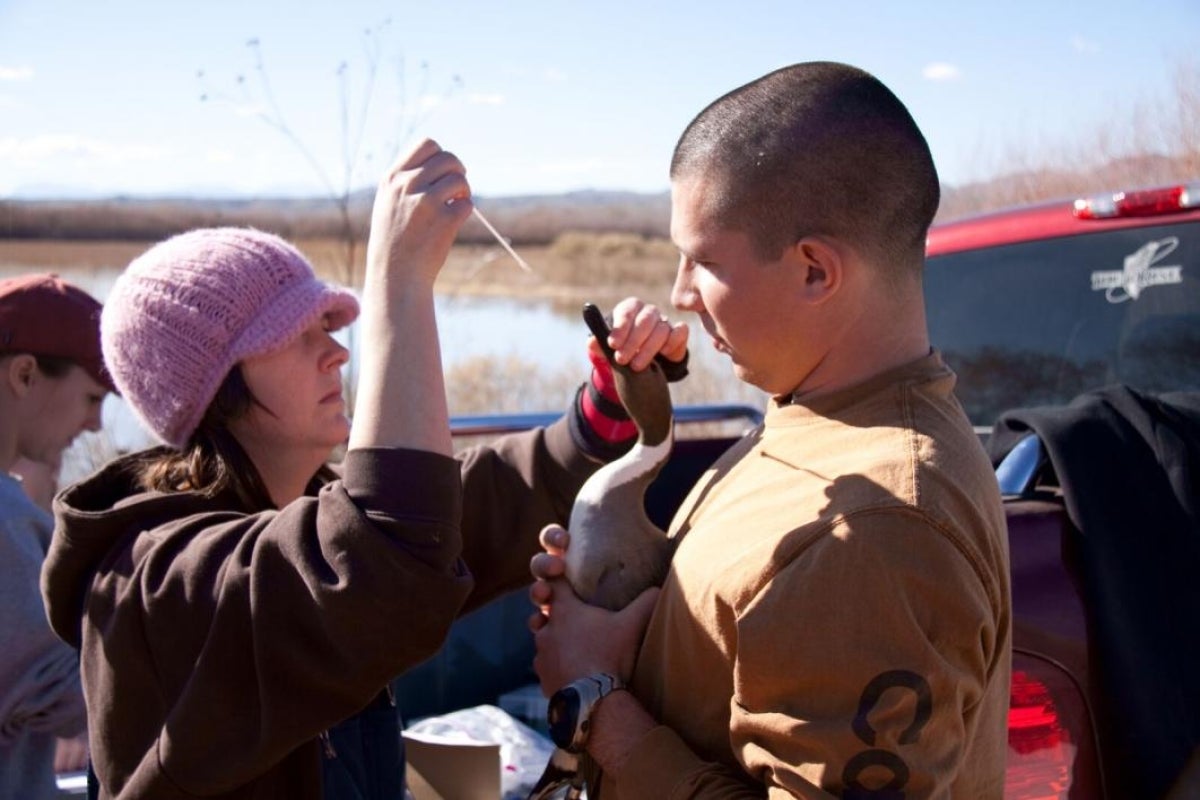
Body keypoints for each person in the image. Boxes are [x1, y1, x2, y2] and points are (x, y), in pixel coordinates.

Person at [39, 138, 687, 799]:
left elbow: (467, 507)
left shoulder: (294, 509)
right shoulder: (159, 580)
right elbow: (380, 556)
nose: (337, 354)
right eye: (298, 336)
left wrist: (606, 410)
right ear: (209, 385)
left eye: (331, 324)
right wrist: (400, 283)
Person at [528, 62, 1012, 798]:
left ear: (815, 271)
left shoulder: (881, 527)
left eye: (704, 262)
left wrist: (594, 702)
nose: (680, 294)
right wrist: (620, 595)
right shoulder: (815, 415)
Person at [0, 273, 112, 799]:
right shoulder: (5, 522)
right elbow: (77, 695)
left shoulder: (15, 511)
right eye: (91, 397)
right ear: (25, 375)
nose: (94, 425)